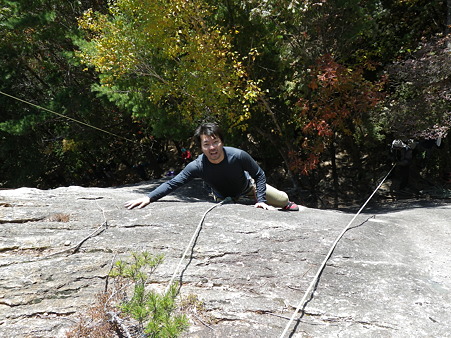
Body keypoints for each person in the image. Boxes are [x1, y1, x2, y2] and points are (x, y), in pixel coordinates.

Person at [124, 123, 299, 211]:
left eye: (215, 142)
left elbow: (259, 174)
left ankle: (275, 201)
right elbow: (173, 183)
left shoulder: (237, 155)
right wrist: (149, 197)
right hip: (223, 198)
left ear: (222, 142)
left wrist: (260, 199)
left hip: (247, 188)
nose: (212, 147)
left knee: (283, 200)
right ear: (201, 147)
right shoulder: (197, 166)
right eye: (206, 144)